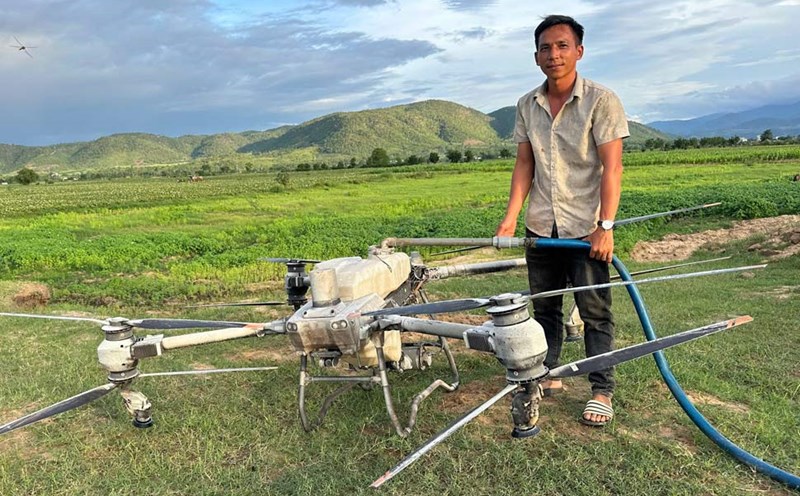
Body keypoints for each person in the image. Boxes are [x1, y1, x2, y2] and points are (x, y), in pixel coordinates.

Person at [495, 14, 628, 427]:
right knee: (545, 309)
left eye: (562, 46)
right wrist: (509, 220)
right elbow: (524, 165)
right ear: (536, 58)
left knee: (594, 311)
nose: (554, 54)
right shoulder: (526, 104)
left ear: (579, 52)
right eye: (546, 48)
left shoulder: (601, 101)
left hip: (585, 230)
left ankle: (601, 389)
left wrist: (605, 227)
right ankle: (546, 374)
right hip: (541, 226)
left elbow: (613, 168)